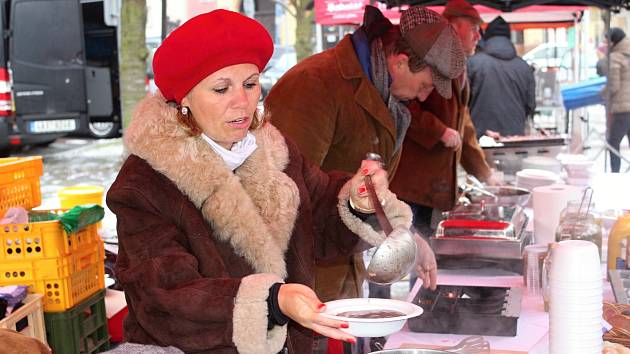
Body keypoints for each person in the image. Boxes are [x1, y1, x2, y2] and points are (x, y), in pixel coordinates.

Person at [106, 10, 422, 354]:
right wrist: (270, 301)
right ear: (184, 99)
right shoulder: (145, 183)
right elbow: (164, 294)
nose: (242, 102)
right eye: (221, 88)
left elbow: (318, 211)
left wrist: (356, 200)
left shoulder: (273, 149)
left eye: (251, 84)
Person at [265, 5, 457, 306]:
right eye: (425, 86)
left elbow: (370, 193)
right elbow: (283, 190)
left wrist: (406, 233)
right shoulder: (315, 84)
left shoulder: (383, 95)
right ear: (401, 62)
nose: (423, 98)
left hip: (338, 276)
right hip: (300, 285)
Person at [390, 0, 497, 288]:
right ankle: (386, 310)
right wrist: (438, 131)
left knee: (423, 253)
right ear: (453, 27)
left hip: (435, 185)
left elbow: (465, 128)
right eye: (474, 29)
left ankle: (421, 299)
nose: (478, 37)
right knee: (395, 249)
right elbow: (404, 106)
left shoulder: (460, 71)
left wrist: (484, 172)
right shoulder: (424, 60)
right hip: (410, 181)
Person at [467, 16, 536, 138]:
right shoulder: (524, 67)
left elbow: (463, 103)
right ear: (509, 38)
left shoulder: (473, 64)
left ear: (487, 38)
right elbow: (530, 105)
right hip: (514, 139)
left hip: (480, 139)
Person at [602, 27, 630, 172]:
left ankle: (615, 174)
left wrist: (602, 94)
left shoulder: (616, 57)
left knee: (613, 143)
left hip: (622, 108)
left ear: (614, 41)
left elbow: (614, 85)